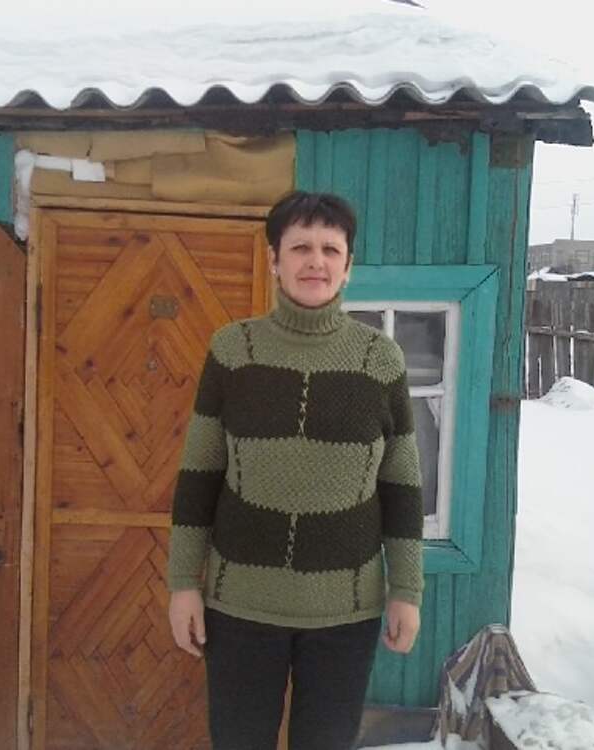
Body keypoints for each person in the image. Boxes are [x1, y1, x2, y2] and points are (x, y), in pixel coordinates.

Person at [167, 191, 424, 750]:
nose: (316, 261)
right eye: (301, 247)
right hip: (240, 608)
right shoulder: (234, 351)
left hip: (345, 615)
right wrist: (183, 583)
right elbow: (199, 476)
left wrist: (406, 589)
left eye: (331, 249)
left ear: (348, 266)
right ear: (274, 260)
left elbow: (401, 487)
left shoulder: (379, 361)